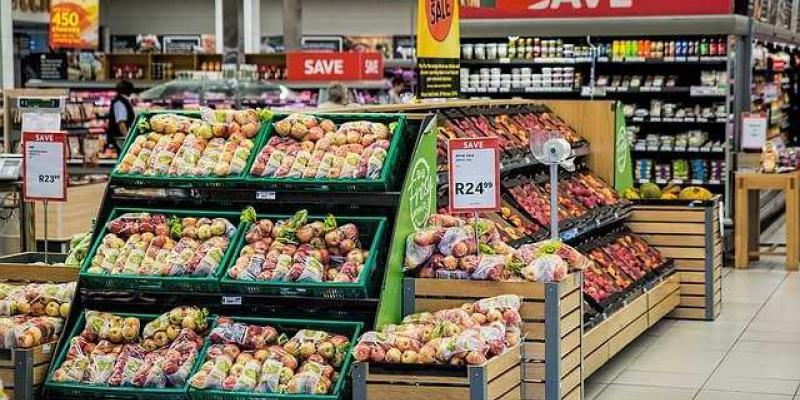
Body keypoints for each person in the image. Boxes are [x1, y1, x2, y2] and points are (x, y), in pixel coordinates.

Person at [108, 80, 135, 153]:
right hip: (120, 141)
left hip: (119, 140)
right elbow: (121, 123)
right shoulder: (120, 102)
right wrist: (128, 138)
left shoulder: (121, 100)